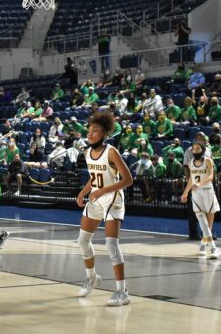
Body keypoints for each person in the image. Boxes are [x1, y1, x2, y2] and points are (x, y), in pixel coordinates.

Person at [75, 111, 133, 306]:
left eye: (95, 131)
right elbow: (94, 178)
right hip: (96, 197)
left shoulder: (111, 152)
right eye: (89, 130)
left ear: (105, 134)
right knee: (83, 240)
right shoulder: (87, 152)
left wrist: (102, 191)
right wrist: (83, 192)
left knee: (111, 244)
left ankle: (122, 292)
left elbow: (128, 180)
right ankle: (92, 277)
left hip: (113, 198)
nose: (90, 134)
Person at [181, 142, 221, 259]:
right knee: (202, 221)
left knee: (208, 225)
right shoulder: (190, 163)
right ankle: (213, 248)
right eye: (194, 149)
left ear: (202, 150)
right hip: (196, 193)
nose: (195, 150)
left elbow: (210, 177)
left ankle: (203, 245)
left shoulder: (208, 161)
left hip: (208, 191)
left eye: (198, 149)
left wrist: (199, 183)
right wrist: (185, 192)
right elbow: (191, 179)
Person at [183, 132, 212, 240]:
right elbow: (186, 166)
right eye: (199, 137)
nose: (201, 139)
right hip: (194, 184)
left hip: (206, 184)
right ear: (196, 139)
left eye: (203, 137)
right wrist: (189, 183)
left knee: (208, 210)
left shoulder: (208, 150)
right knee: (194, 211)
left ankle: (207, 234)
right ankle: (193, 233)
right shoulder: (190, 150)